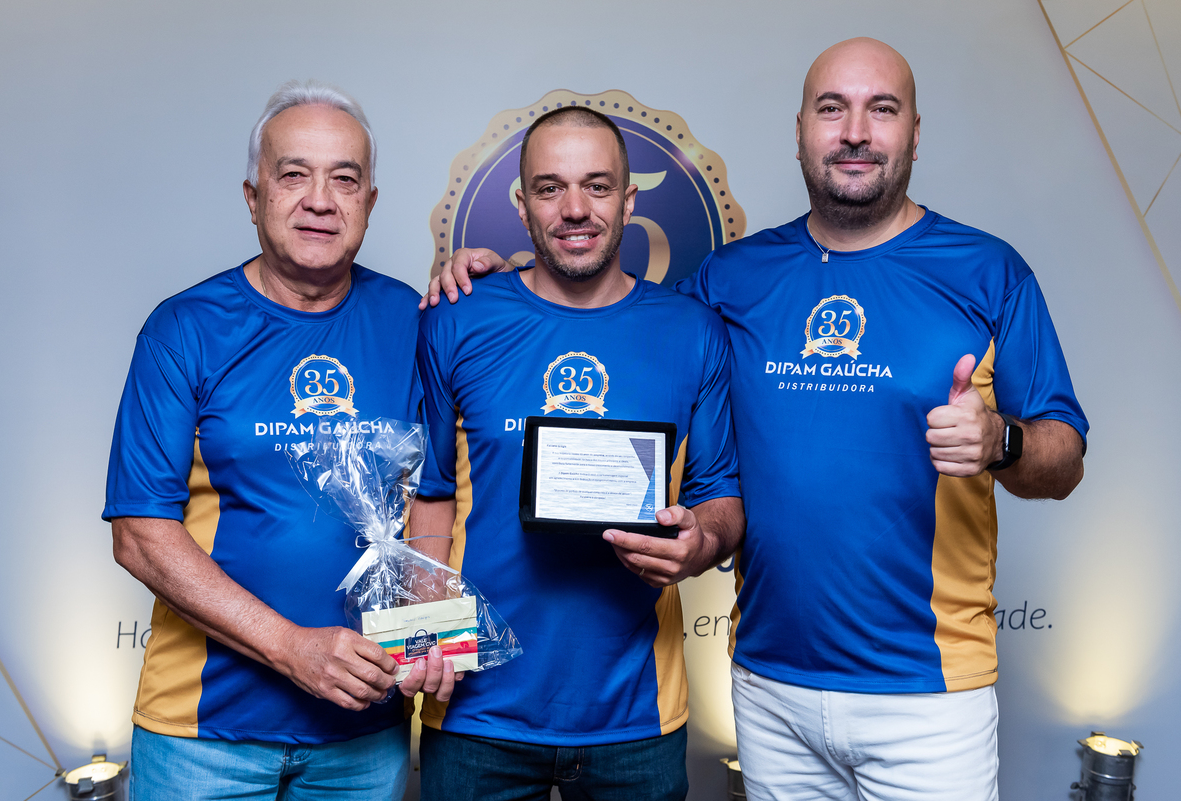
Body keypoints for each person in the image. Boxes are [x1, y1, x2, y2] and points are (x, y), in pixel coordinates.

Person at [425, 38, 1088, 801]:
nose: (855, 132)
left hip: (928, 691)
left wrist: (1002, 439)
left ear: (914, 132)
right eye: (832, 109)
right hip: (769, 685)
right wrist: (494, 280)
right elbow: (605, 317)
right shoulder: (727, 282)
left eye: (881, 109)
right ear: (800, 130)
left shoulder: (990, 271)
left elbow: (1065, 459)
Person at [103, 80, 452, 801]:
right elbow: (139, 535)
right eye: (294, 174)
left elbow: (434, 495)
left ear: (370, 203)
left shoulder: (416, 321)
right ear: (252, 195)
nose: (320, 200)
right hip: (201, 737)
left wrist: (429, 633)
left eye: (344, 179)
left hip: (365, 727)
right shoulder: (184, 329)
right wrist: (292, 648)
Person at [408, 106, 745, 801]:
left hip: (637, 719)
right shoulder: (458, 318)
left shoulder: (692, 331)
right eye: (550, 187)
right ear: (522, 203)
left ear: (629, 199)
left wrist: (702, 542)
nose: (574, 209)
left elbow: (721, 495)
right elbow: (429, 494)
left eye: (597, 185)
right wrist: (423, 640)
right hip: (476, 713)